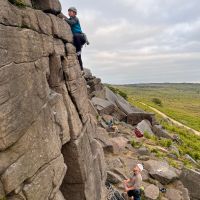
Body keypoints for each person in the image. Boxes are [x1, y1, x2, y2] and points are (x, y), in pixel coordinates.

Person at [60, 7, 87, 71]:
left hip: (80, 37)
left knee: (75, 36)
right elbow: (69, 21)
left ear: (74, 13)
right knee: (78, 56)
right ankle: (81, 70)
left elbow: (71, 23)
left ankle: (79, 50)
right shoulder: (70, 19)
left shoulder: (75, 19)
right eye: (68, 11)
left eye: (70, 11)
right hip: (77, 40)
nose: (69, 12)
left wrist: (63, 18)